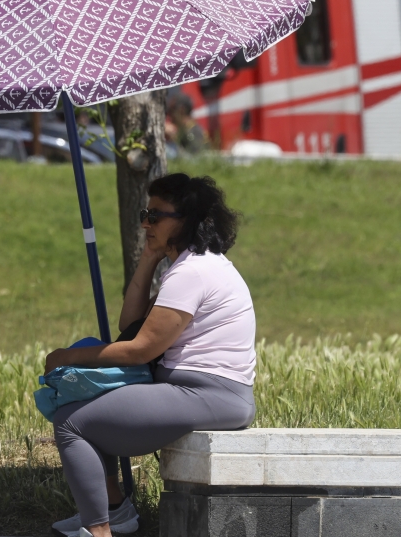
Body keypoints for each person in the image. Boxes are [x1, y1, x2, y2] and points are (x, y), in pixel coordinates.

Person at [45, 174, 256, 537]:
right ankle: (115, 513)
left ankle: (98, 531)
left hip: (209, 394)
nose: (146, 222)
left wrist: (67, 356)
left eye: (156, 215)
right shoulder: (194, 264)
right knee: (88, 400)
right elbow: (132, 324)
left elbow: (141, 348)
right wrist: (148, 259)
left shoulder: (193, 271)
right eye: (146, 213)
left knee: (71, 422)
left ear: (187, 219)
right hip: (204, 392)